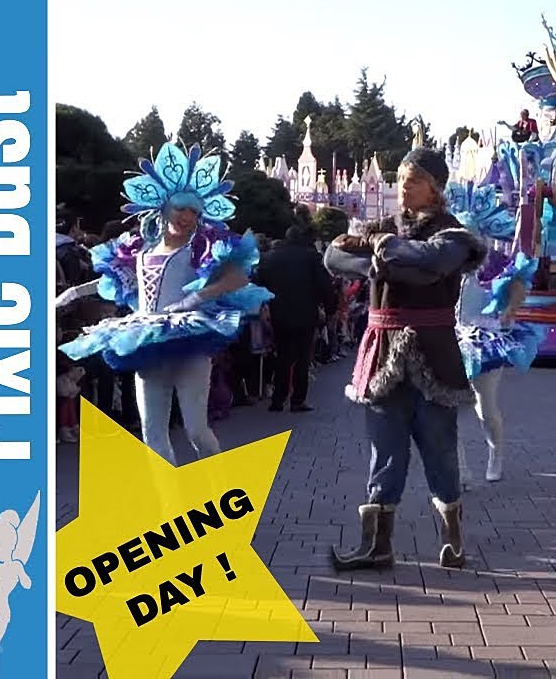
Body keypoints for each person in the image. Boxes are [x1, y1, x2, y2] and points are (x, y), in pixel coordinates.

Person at [56, 142, 272, 465]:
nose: (186, 217)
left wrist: (194, 299)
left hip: (189, 340)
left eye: (193, 211)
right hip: (146, 338)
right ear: (163, 205)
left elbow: (239, 278)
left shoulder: (202, 248)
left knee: (197, 430)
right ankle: (169, 504)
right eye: (181, 208)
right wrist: (74, 293)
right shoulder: (138, 249)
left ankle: (217, 485)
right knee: (152, 433)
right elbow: (112, 283)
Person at [323, 147, 487, 571]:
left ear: (434, 189)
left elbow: (434, 263)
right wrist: (389, 260)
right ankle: (377, 545)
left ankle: (452, 541)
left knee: (440, 450)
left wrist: (381, 253)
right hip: (382, 356)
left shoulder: (454, 233)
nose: (403, 187)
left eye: (413, 181)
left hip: (434, 354)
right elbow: (335, 255)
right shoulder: (385, 228)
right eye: (401, 179)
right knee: (385, 452)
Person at [443, 183, 544, 486]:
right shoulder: (444, 266)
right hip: (450, 339)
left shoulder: (493, 264)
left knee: (484, 407)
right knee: (448, 409)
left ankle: (495, 454)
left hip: (485, 341)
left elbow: (518, 283)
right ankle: (460, 468)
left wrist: (510, 308)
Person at [254, 225, 339, 412]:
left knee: (283, 357)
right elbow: (325, 285)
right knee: (302, 358)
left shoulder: (271, 257)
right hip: (305, 314)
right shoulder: (310, 257)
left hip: (279, 314)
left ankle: (278, 399)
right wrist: (330, 308)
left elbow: (258, 282)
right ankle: (297, 400)